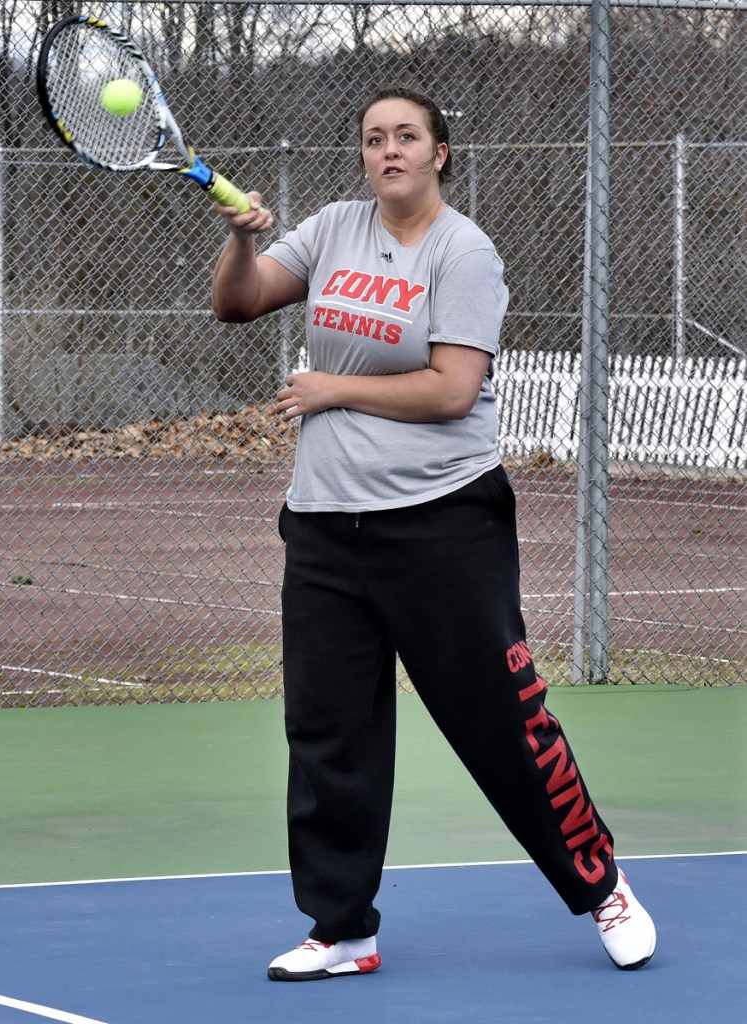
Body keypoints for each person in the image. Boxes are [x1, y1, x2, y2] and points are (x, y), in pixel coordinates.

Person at [211, 85, 656, 982]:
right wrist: (244, 237)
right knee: (328, 730)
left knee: (504, 723)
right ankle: (342, 931)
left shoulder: (465, 251)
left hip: (444, 525)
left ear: (438, 152)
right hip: (327, 528)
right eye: (374, 138)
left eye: (405, 137)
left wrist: (334, 387)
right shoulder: (334, 228)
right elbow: (240, 302)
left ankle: (601, 884)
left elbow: (452, 389)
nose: (389, 151)